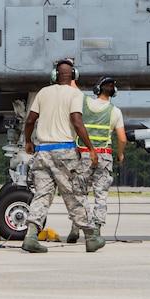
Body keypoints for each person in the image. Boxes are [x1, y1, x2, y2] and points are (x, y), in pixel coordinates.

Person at [21, 59, 104, 253]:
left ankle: (31, 235)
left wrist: (28, 141)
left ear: (54, 76)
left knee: (42, 195)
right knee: (74, 193)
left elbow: (30, 120)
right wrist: (90, 148)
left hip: (42, 152)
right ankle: (91, 237)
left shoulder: (43, 92)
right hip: (65, 151)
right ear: (74, 75)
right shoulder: (75, 94)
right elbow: (77, 121)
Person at [67, 76, 126, 243]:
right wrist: (120, 154)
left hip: (85, 154)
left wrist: (70, 66)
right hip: (105, 155)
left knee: (79, 192)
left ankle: (76, 227)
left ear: (97, 89)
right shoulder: (115, 111)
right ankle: (97, 228)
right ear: (113, 92)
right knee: (101, 194)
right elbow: (122, 139)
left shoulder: (85, 103)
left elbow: (72, 86)